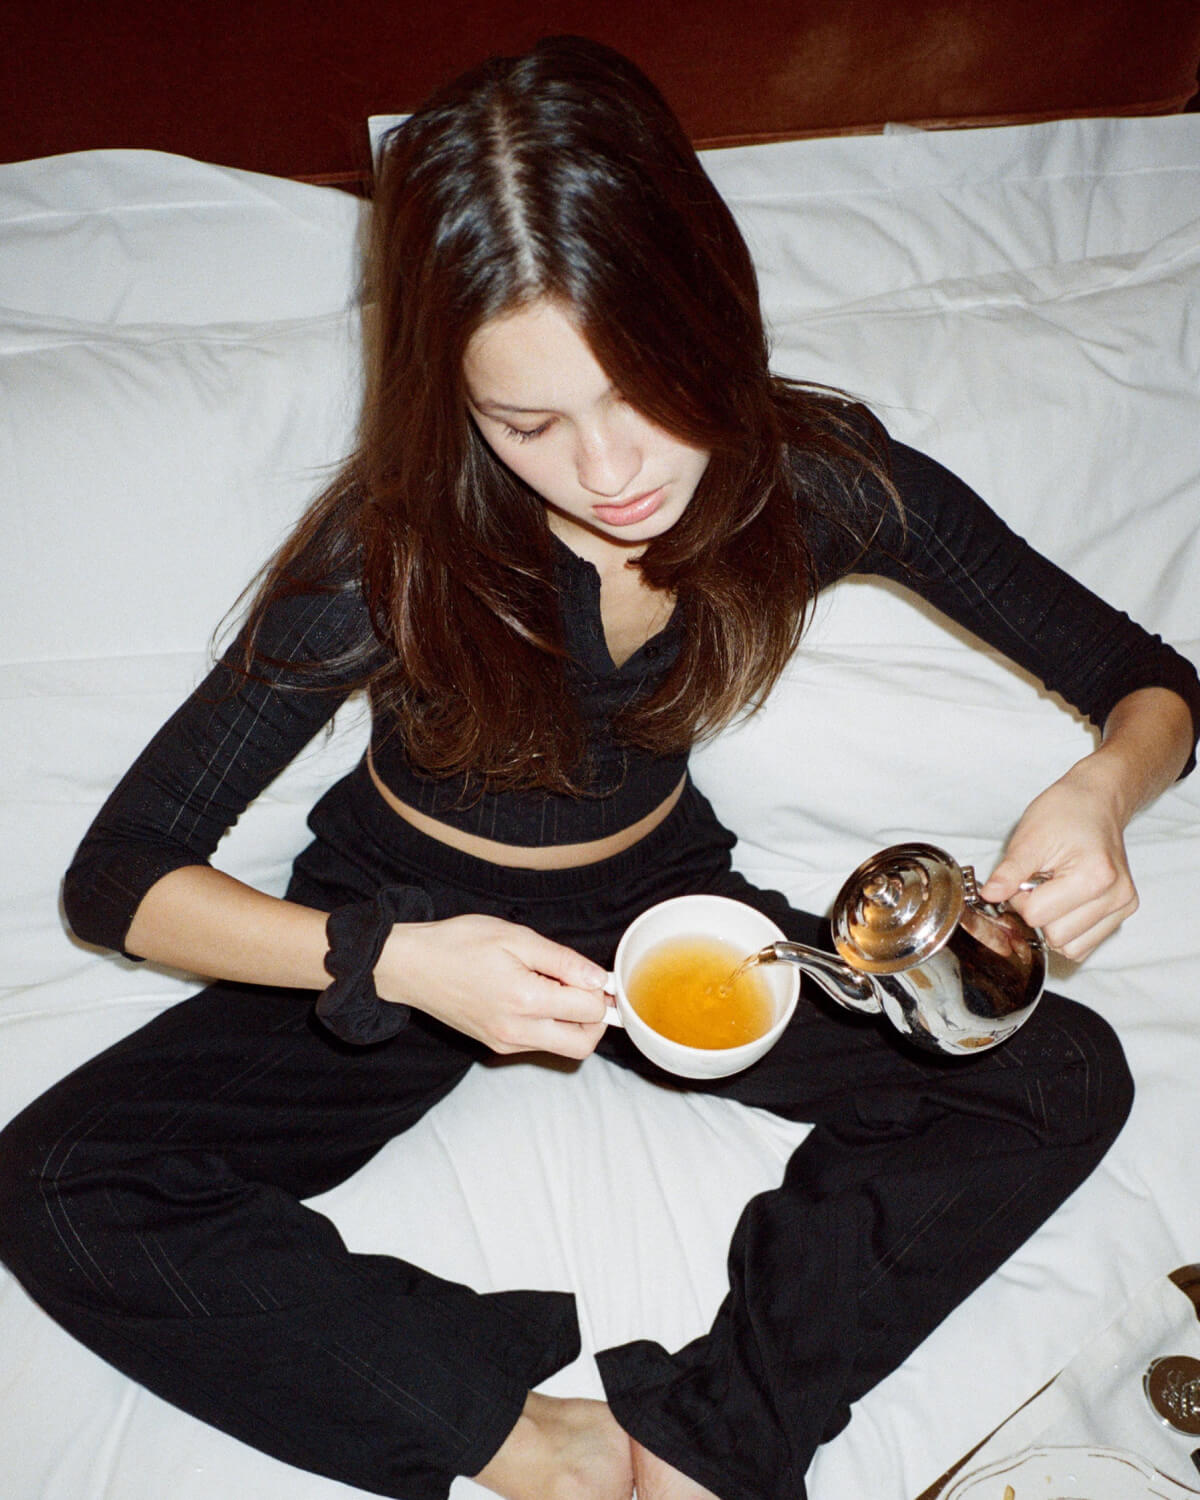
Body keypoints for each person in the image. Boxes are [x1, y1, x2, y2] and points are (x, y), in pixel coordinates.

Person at [0, 34, 1196, 1500]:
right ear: (455, 404)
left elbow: (1153, 683)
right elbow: (121, 878)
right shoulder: (385, 562)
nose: (611, 469)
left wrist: (1103, 790)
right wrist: (405, 965)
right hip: (406, 912)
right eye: (528, 423)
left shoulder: (821, 485)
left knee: (1056, 1072)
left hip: (668, 907)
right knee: (61, 1187)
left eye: (646, 388)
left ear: (710, 315)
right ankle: (534, 1445)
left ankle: (712, 1436)